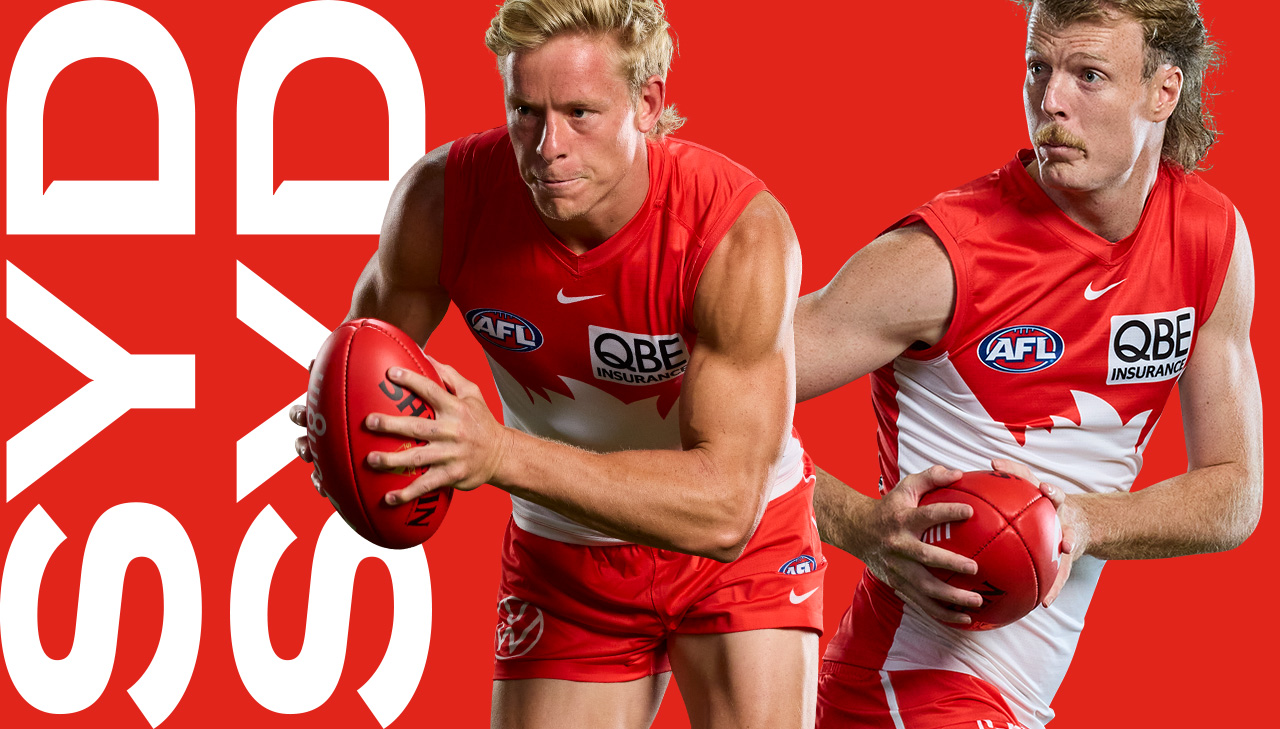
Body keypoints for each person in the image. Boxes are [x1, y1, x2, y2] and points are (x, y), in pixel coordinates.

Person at [292, 1, 823, 727]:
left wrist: (499, 451)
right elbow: (359, 355)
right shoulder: (445, 203)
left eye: (580, 113)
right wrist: (336, 431)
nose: (548, 146)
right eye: (525, 112)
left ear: (647, 103)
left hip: (738, 552)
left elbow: (726, 505)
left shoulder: (735, 234)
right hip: (566, 555)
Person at [796, 1, 1262, 727]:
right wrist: (857, 523)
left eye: (1089, 75)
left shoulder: (1209, 241)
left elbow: (1235, 490)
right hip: (903, 688)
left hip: (1017, 700)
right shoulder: (944, 257)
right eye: (1038, 69)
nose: (1051, 101)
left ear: (1163, 91)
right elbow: (702, 392)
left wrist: (1081, 522)